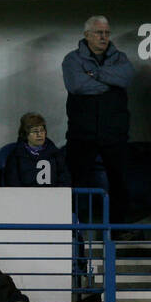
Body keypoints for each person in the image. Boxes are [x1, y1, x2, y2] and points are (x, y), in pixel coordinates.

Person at [62, 15, 135, 222]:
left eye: (106, 33)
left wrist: (95, 74)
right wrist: (111, 82)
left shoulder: (121, 58)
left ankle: (120, 229)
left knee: (120, 183)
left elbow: (127, 78)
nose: (104, 37)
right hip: (81, 134)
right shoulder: (72, 59)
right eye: (98, 33)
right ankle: (76, 229)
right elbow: (77, 85)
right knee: (77, 183)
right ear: (87, 35)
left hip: (115, 135)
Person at [2, 112, 71, 187]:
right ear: (25, 134)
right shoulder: (15, 157)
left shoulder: (56, 155)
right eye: (35, 131)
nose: (39, 134)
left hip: (52, 197)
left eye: (42, 130)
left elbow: (65, 181)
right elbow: (12, 183)